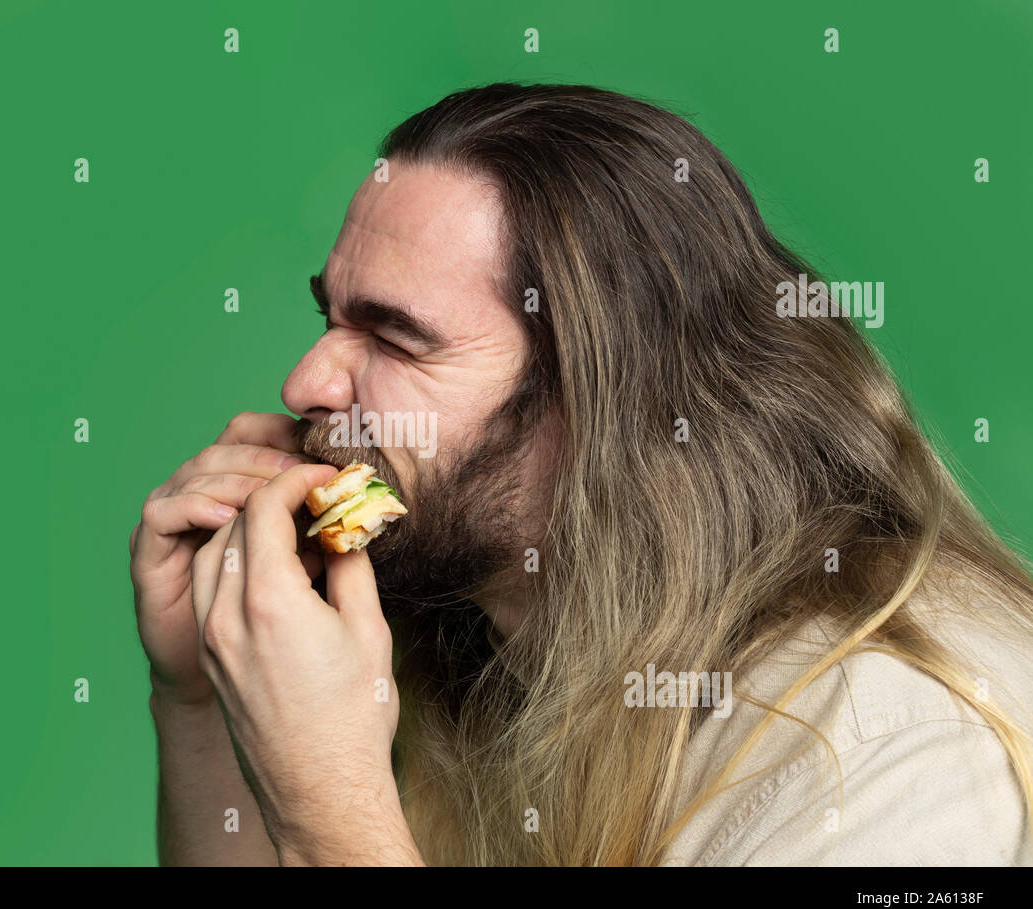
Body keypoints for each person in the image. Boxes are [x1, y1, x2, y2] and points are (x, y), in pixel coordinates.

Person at [129, 82, 1033, 866]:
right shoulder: (495, 646)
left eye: (395, 337)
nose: (306, 384)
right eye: (332, 319)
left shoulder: (892, 746)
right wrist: (198, 697)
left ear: (603, 399)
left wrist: (330, 811)